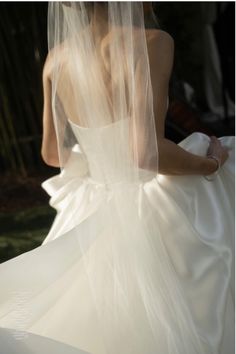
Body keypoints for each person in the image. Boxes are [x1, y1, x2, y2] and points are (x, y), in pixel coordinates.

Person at [0, 3, 234, 354]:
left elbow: (52, 155)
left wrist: (100, 159)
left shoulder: (56, 59)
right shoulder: (153, 43)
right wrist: (211, 164)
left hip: (94, 202)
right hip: (153, 202)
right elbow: (146, 153)